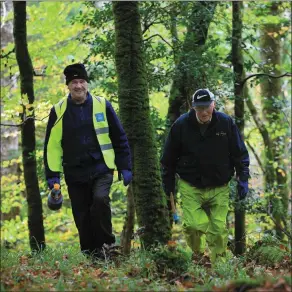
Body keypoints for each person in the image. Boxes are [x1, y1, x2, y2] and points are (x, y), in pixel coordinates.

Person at [44, 63, 132, 260]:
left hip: (101, 168)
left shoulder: (102, 105)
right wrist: (52, 177)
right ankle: (91, 256)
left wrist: (125, 166)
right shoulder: (58, 111)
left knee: (100, 201)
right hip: (74, 172)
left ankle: (108, 249)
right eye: (74, 82)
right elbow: (52, 146)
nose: (78, 86)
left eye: (81, 81)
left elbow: (119, 137)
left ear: (87, 84)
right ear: (68, 86)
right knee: (82, 215)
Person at [161, 88, 249, 266]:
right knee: (194, 226)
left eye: (207, 107)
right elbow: (168, 160)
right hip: (191, 184)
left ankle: (220, 265)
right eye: (199, 108)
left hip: (219, 184)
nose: (203, 112)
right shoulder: (181, 125)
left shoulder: (225, 123)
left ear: (213, 104)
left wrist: (243, 178)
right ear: (193, 108)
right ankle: (198, 256)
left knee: (218, 228)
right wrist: (168, 186)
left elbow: (239, 153)